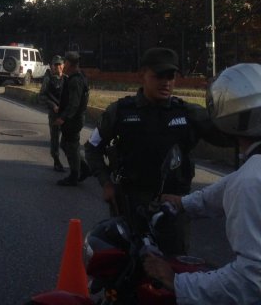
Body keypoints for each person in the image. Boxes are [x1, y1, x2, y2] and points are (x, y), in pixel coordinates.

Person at [84, 47, 225, 254]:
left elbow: (229, 137)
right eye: (159, 76)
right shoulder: (120, 112)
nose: (166, 82)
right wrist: (106, 184)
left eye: (171, 76)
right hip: (131, 205)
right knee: (127, 267)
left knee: (172, 270)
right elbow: (92, 148)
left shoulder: (189, 113)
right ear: (142, 75)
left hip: (172, 207)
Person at [143, 62, 261, 304]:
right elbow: (231, 184)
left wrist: (177, 282)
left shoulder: (249, 181)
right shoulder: (249, 174)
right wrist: (184, 203)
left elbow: (251, 281)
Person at [55, 51, 91, 186]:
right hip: (73, 118)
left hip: (73, 119)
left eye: (65, 62)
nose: (63, 65)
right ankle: (83, 168)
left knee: (71, 145)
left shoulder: (76, 80)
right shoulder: (75, 76)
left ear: (69, 64)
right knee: (66, 144)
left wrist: (63, 118)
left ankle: (75, 175)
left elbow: (74, 104)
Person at [38, 55, 66, 172]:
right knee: (55, 138)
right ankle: (56, 160)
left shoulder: (67, 78)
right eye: (55, 65)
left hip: (67, 113)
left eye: (59, 64)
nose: (57, 67)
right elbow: (41, 96)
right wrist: (53, 105)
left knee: (69, 140)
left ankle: (76, 164)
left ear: (63, 65)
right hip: (55, 113)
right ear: (51, 66)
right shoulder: (48, 78)